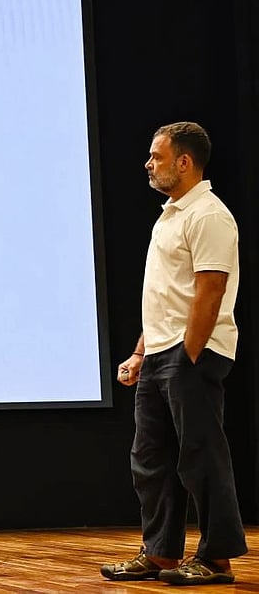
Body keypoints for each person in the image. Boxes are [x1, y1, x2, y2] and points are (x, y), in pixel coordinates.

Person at [101, 121, 245, 586]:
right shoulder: (171, 214)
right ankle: (160, 552)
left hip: (193, 352)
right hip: (161, 351)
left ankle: (217, 557)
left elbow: (210, 289)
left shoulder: (209, 215)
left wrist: (189, 354)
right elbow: (165, 295)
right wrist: (142, 352)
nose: (148, 163)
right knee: (150, 458)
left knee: (201, 456)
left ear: (184, 162)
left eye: (156, 156)